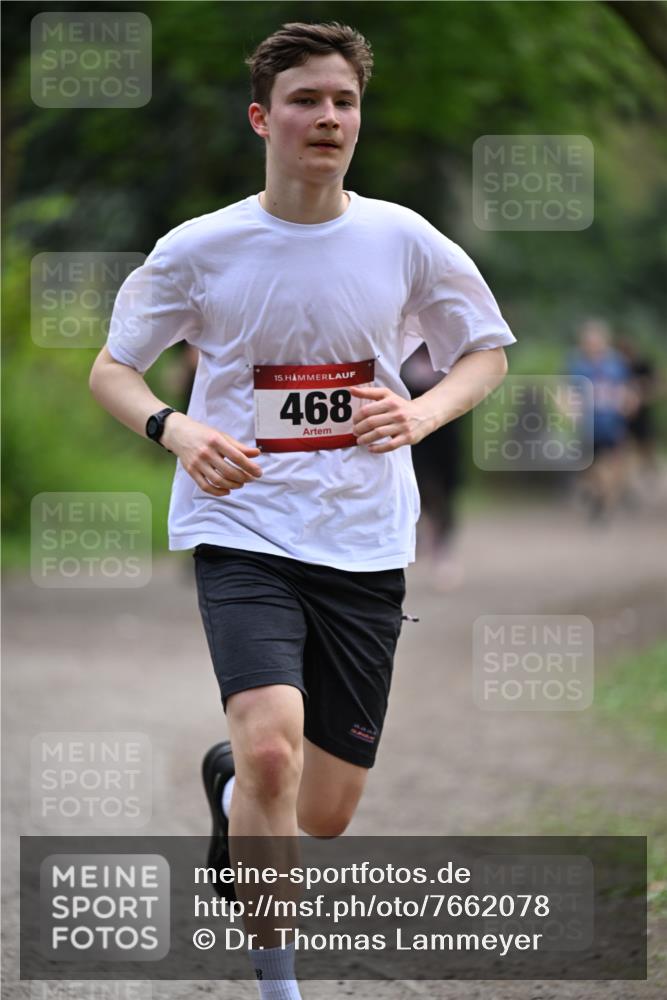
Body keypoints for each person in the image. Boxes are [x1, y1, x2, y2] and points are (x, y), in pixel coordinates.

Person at [89, 21, 515, 998]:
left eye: (344, 101)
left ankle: (235, 790)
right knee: (274, 741)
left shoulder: (403, 239)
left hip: (363, 538)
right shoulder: (199, 249)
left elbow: (484, 352)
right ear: (261, 117)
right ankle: (278, 978)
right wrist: (176, 430)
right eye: (306, 100)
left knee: (319, 809)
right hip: (239, 527)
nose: (328, 117)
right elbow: (113, 369)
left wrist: (418, 411)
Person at [568, 319, 633, 521]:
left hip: (610, 423)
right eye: (589, 339)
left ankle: (603, 500)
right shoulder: (577, 364)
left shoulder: (616, 364)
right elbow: (568, 391)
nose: (592, 343)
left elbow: (625, 390)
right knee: (587, 467)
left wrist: (627, 405)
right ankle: (597, 492)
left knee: (609, 464)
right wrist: (569, 410)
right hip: (587, 424)